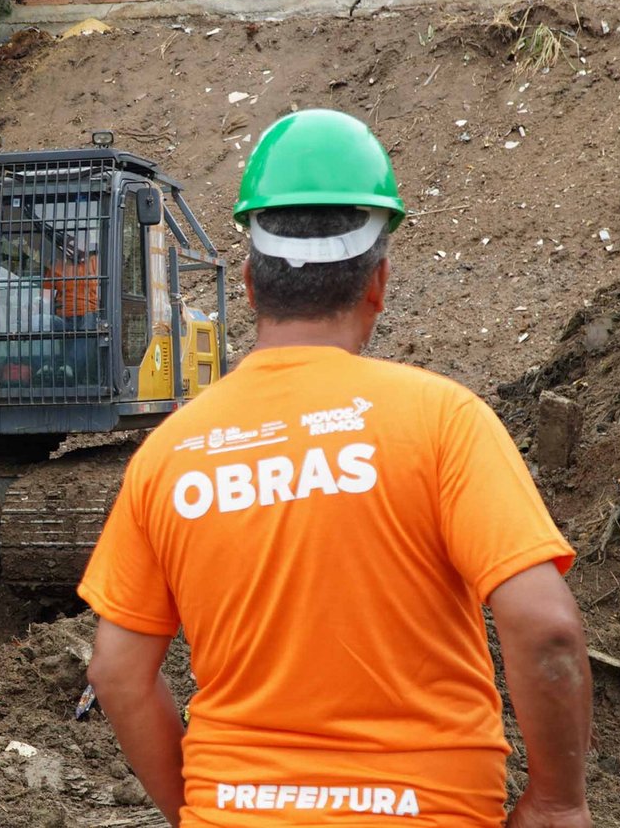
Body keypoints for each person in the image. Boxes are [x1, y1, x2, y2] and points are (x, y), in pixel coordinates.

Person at [77, 109, 592, 828]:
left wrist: (201, 808)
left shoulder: (172, 450)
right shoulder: (444, 422)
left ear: (252, 287)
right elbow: (547, 631)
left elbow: (117, 673)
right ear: (377, 283)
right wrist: (559, 803)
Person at [44, 233, 102, 384]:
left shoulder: (96, 262)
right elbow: (45, 296)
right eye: (72, 243)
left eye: (81, 242)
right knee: (45, 321)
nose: (76, 246)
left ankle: (69, 366)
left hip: (88, 312)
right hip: (63, 316)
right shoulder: (56, 266)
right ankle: (46, 366)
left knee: (87, 327)